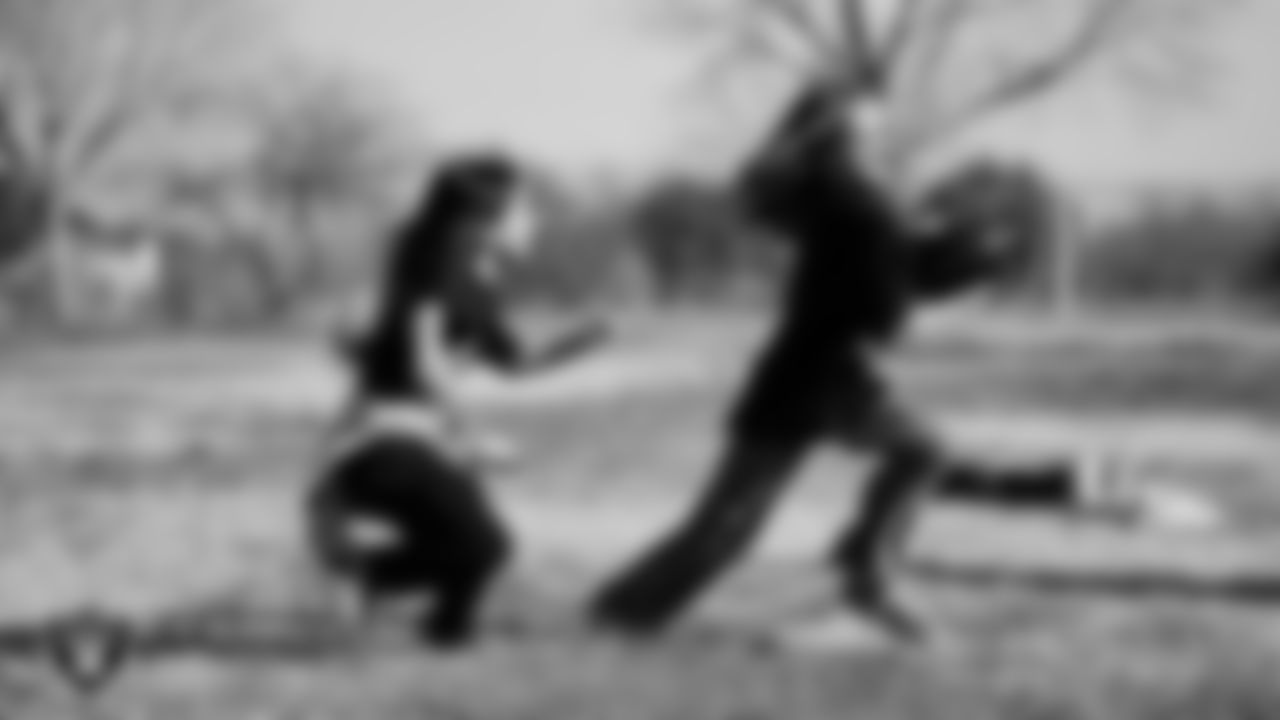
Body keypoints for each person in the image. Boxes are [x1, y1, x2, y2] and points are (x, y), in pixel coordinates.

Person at [588, 84, 1084, 647]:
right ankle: (864, 588)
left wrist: (961, 256)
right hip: (822, 370)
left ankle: (625, 613)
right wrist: (960, 253)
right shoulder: (844, 187)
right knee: (751, 518)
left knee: (736, 522)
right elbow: (892, 292)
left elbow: (899, 269)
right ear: (840, 125)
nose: (881, 121)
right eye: (868, 113)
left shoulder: (846, 191)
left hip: (810, 369)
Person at [309, 151, 607, 648]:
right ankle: (362, 575)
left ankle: (448, 633)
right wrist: (472, 437)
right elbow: (426, 359)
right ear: (488, 215)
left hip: (410, 441)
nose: (533, 219)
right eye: (526, 207)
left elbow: (517, 364)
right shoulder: (443, 257)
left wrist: (576, 345)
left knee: (482, 544)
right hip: (382, 442)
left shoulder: (475, 281)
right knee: (483, 544)